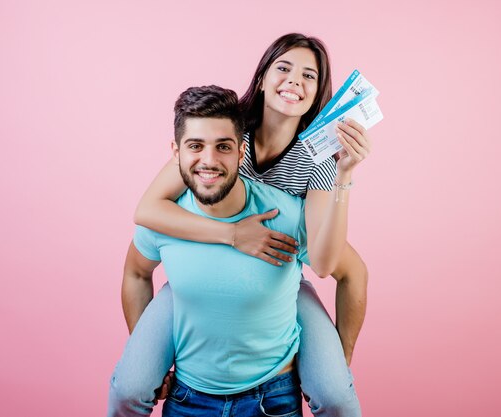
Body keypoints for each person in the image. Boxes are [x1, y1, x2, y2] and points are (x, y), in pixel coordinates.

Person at [132, 33, 370, 416]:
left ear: (318, 94)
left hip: (277, 272)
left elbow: (325, 264)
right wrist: (232, 233)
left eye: (309, 75)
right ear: (261, 78)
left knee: (336, 394)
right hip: (206, 266)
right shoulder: (225, 133)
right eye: (283, 67)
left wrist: (345, 174)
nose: (294, 80)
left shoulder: (318, 158)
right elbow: (147, 210)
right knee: (130, 385)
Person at [110, 85, 310, 416]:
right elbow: (135, 272)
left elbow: (346, 268)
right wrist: (151, 357)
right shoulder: (164, 218)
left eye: (223, 147)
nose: (209, 160)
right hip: (188, 399)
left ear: (240, 151)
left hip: (272, 399)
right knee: (126, 389)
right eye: (195, 146)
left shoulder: (286, 213)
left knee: (336, 396)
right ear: (175, 152)